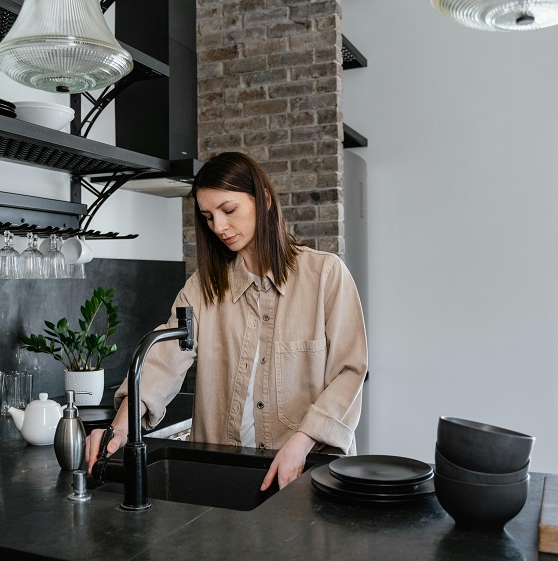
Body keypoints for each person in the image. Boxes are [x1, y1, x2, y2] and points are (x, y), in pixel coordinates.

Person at [86, 152, 368, 490]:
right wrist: (120, 426)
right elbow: (162, 362)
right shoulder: (202, 289)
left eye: (228, 210)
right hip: (224, 473)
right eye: (208, 216)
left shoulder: (325, 275)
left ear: (263, 200)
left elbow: (349, 372)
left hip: (309, 470)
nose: (218, 227)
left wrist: (302, 440)